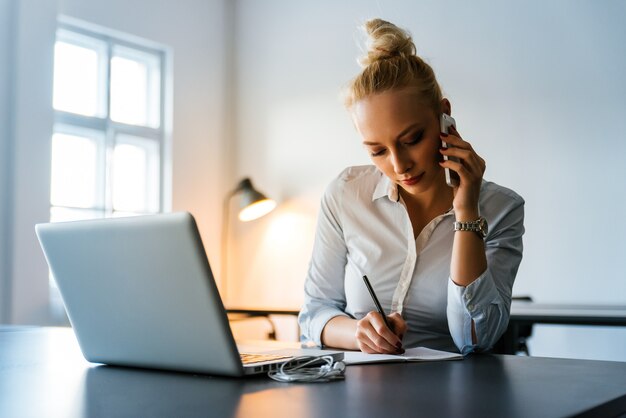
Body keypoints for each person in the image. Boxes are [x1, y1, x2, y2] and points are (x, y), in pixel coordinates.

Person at [298, 18, 525, 355]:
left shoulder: (502, 208)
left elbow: (476, 339)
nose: (399, 165)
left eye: (412, 139)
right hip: (361, 394)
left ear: (444, 117)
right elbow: (314, 313)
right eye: (377, 151)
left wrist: (466, 213)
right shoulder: (345, 193)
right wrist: (358, 334)